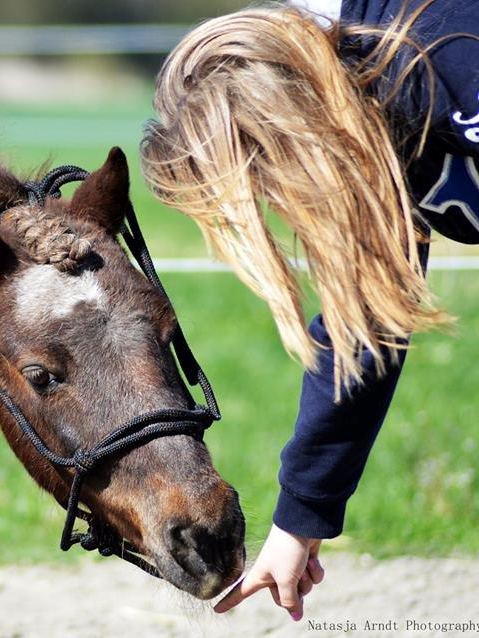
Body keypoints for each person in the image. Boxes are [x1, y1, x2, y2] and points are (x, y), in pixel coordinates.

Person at [140, 0, 478, 621]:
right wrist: (299, 520)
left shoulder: (450, 54)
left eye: (268, 178)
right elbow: (364, 325)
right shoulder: (381, 127)